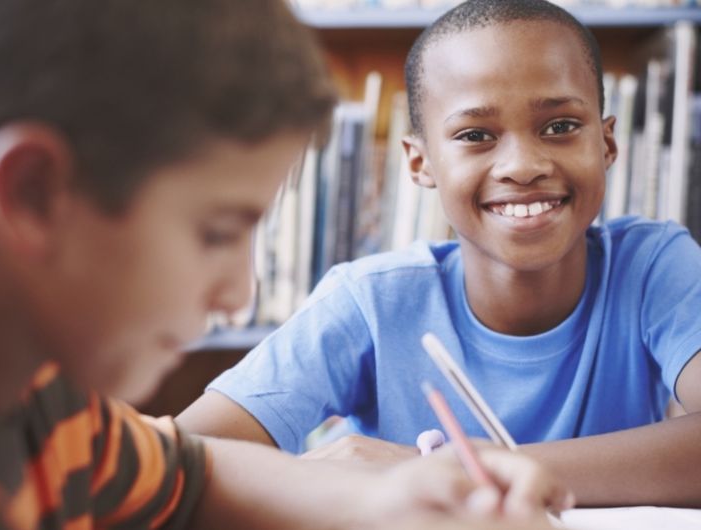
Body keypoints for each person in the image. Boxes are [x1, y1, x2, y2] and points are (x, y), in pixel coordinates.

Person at [0, 0, 572, 529]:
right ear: (34, 194)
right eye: (216, 234)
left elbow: (194, 471)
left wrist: (379, 503)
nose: (238, 295)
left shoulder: (50, 412)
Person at [178, 0, 701, 508]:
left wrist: (454, 470)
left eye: (560, 126)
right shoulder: (370, 302)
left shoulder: (654, 266)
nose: (522, 164)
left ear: (607, 144)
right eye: (476, 135)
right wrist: (313, 486)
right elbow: (177, 462)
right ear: (420, 162)